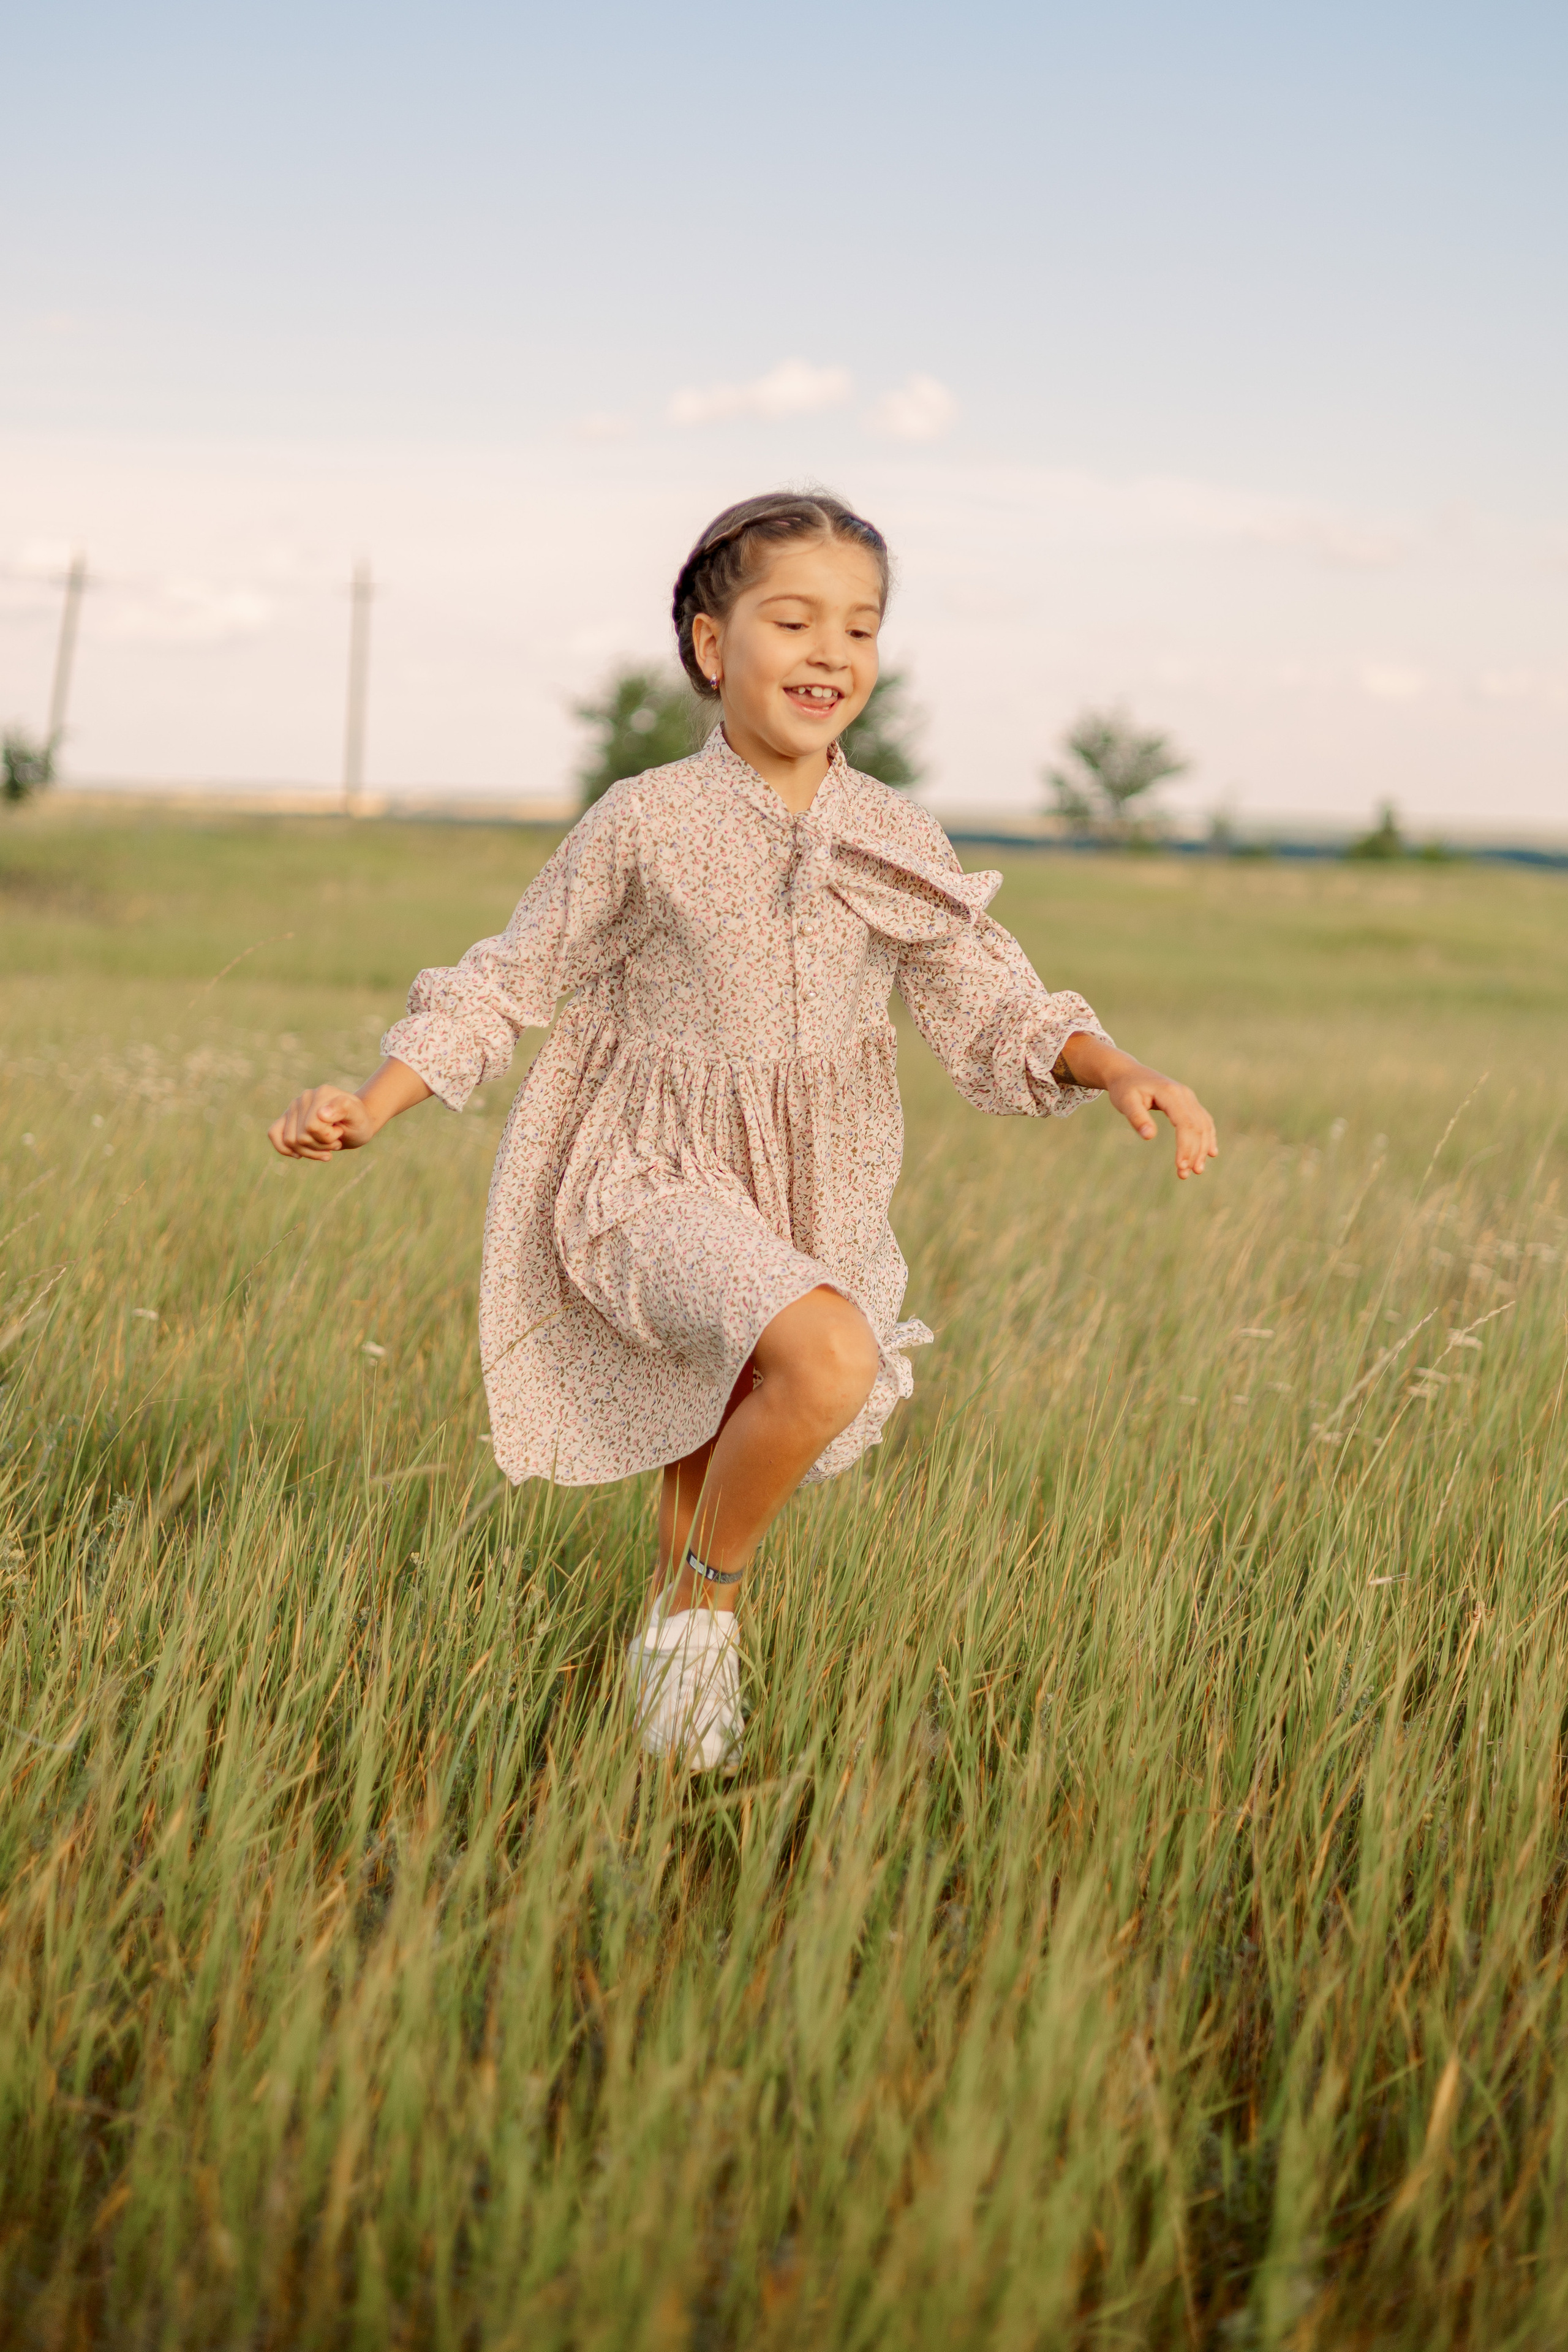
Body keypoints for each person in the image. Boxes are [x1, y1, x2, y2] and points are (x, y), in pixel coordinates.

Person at [268, 491, 1218, 1773]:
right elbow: (507, 978)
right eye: (795, 620)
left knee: (719, 1415)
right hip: (646, 1173)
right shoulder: (646, 818)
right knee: (824, 1357)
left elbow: (990, 1000)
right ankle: (704, 1612)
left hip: (814, 1186)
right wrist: (371, 1103)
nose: (832, 652)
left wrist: (1115, 1067)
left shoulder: (892, 835)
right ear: (713, 647)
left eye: (861, 628)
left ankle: (668, 1707)